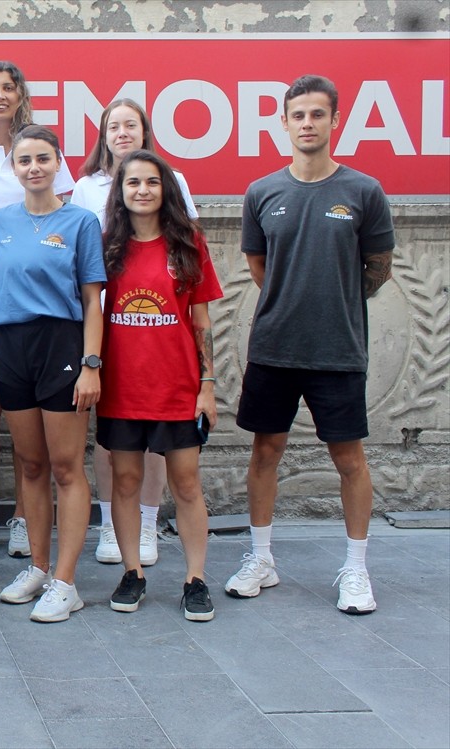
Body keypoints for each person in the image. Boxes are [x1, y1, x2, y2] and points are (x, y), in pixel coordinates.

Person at [228, 75, 394, 615]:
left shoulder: (363, 192)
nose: (307, 124)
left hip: (338, 350)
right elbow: (259, 267)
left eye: (317, 115)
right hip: (274, 348)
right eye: (297, 115)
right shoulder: (262, 192)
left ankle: (355, 568)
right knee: (265, 452)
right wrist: (294, 298)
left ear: (334, 121)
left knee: (349, 459)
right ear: (284, 122)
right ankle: (261, 559)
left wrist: (334, 301)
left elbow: (378, 268)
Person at [0, 125, 105, 623]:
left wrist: (91, 364)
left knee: (66, 467)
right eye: (24, 160)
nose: (34, 167)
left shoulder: (81, 222)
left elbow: (94, 300)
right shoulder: (0, 222)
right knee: (29, 465)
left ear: (59, 163)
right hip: (11, 347)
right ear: (13, 168)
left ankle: (66, 581)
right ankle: (36, 565)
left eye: (43, 158)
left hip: (63, 345)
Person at [72, 98, 200, 569]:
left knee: (158, 443)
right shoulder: (85, 188)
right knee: (113, 441)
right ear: (103, 135)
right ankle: (111, 523)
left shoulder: (173, 181)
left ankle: (148, 524)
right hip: (106, 327)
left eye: (131, 125)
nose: (122, 132)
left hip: (160, 331)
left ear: (145, 133)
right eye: (113, 126)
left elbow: (187, 254)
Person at [97, 149, 222, 621]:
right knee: (125, 481)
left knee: (185, 483)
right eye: (133, 183)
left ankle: (196, 579)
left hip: (177, 388)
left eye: (151, 182)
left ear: (165, 189)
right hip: (121, 388)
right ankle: (133, 572)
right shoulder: (107, 246)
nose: (142, 190)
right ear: (121, 192)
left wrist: (207, 384)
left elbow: (202, 319)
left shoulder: (188, 242)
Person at [0, 60, 74, 558]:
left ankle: (26, 518)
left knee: (34, 421)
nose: (0, 95)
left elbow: (62, 230)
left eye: (9, 88)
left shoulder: (39, 148)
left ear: (21, 94)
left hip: (34, 313)